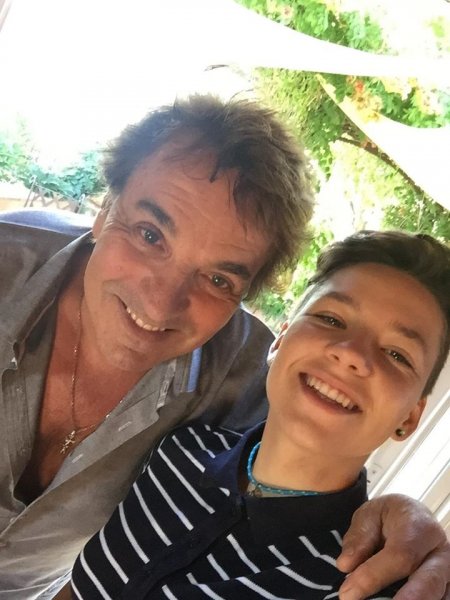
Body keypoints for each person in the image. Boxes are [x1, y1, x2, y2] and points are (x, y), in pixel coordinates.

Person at [0, 95, 448, 599]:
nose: (162, 302)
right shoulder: (182, 457)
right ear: (105, 210)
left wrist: (412, 520)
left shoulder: (241, 377)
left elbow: (322, 434)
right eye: (150, 234)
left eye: (218, 279)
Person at [66, 230, 450, 600]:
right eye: (332, 319)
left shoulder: (366, 583)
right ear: (280, 340)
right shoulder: (179, 449)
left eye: (397, 355)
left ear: (409, 417)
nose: (351, 354)